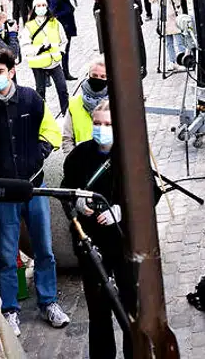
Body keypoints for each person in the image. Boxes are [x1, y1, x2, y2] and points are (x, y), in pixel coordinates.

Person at [0, 47, 69, 336]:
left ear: (12, 71)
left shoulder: (32, 99)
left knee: (44, 249)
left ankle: (49, 302)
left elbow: (51, 131)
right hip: (2, 192)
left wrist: (39, 153)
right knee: (6, 253)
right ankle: (10, 310)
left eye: (0, 72)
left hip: (34, 186)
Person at [61, 101, 152, 359]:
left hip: (124, 243)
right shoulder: (79, 155)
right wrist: (76, 201)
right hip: (92, 244)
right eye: (97, 124)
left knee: (130, 305)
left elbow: (150, 192)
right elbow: (66, 188)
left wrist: (123, 210)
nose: (101, 129)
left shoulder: (132, 153)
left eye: (108, 124)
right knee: (98, 310)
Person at [23, 0, 69, 117]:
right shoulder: (29, 26)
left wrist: (61, 52)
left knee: (62, 88)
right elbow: (25, 47)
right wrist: (39, 49)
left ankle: (66, 113)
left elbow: (63, 40)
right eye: (38, 6)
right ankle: (42, 116)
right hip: (38, 63)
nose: (41, 8)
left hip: (54, 61)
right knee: (40, 91)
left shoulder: (55, 23)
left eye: (43, 5)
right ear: (34, 8)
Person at [63, 57, 110, 147]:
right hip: (82, 159)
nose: (98, 79)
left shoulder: (119, 103)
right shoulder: (74, 103)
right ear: (88, 75)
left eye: (103, 76)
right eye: (94, 76)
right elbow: (67, 139)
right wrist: (73, 159)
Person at [49, 0, 80, 81]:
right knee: (62, 50)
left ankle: (65, 72)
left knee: (66, 50)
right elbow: (52, 13)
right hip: (62, 27)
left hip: (68, 25)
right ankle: (61, 73)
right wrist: (66, 12)